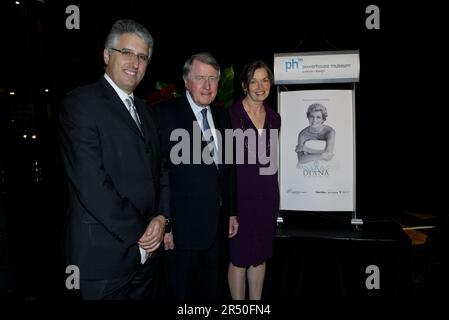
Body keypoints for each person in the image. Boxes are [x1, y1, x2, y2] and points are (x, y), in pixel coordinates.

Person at [58, 19, 169, 300]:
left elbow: (162, 170)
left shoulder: (146, 111)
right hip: (103, 260)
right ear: (107, 55)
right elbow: (91, 184)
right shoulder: (81, 104)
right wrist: (142, 232)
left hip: (147, 257)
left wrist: (162, 217)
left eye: (142, 56)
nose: (135, 62)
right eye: (127, 52)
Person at [155, 52, 239, 300]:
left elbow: (228, 169)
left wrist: (232, 211)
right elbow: (159, 172)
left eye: (213, 79)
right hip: (180, 233)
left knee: (213, 292)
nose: (207, 85)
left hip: (216, 229)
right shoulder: (164, 115)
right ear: (186, 80)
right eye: (200, 77)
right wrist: (164, 223)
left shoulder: (223, 116)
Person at [227, 60, 281, 300]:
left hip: (267, 197)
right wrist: (229, 207)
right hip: (239, 198)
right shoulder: (230, 115)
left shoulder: (274, 118)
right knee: (239, 257)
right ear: (244, 85)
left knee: (259, 255)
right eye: (254, 80)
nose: (260, 86)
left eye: (265, 80)